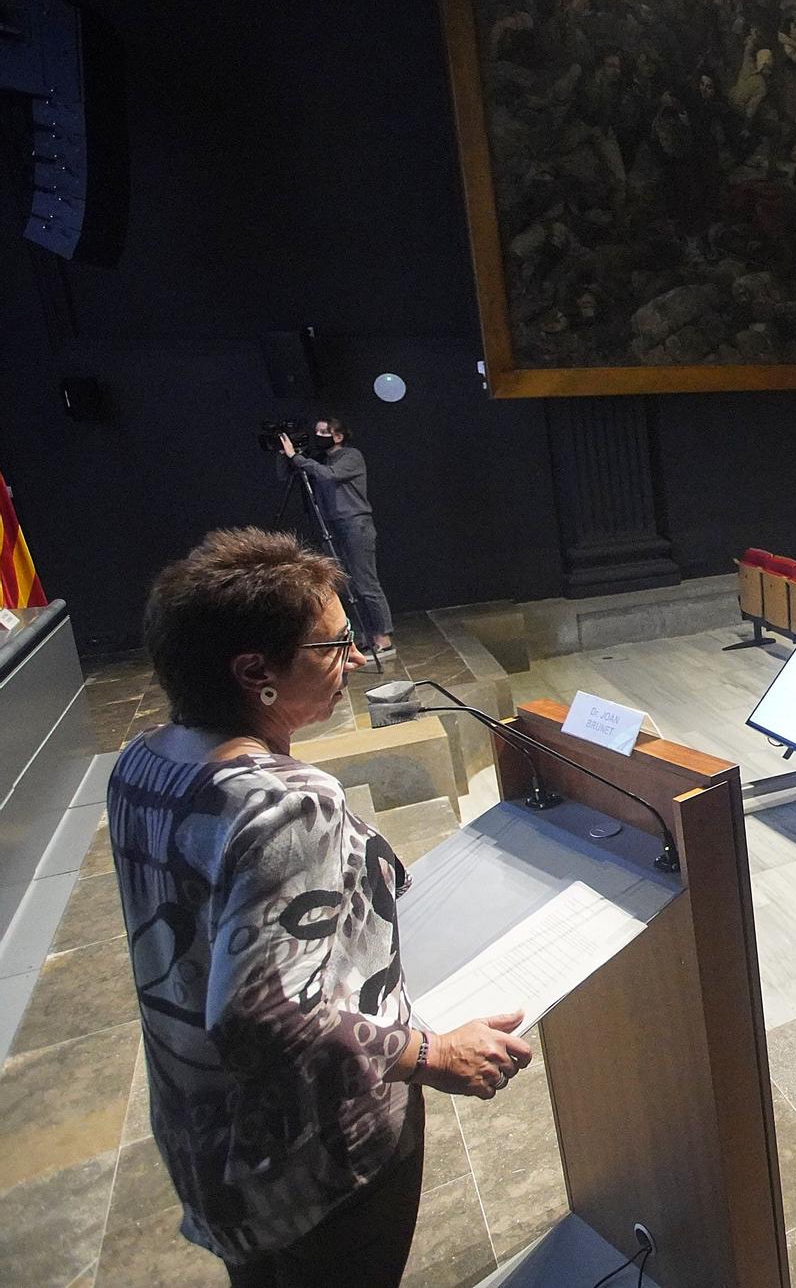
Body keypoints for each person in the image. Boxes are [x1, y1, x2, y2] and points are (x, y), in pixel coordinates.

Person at [108, 529, 530, 1285]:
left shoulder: (141, 763)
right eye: (335, 644)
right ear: (254, 673)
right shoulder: (286, 803)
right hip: (313, 1159)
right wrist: (433, 1055)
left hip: (210, 1141)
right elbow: (261, 1018)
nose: (357, 659)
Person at [278, 420, 393, 658]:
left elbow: (329, 476)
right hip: (332, 525)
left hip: (355, 524)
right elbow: (285, 476)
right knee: (343, 584)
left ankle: (383, 638)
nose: (317, 435)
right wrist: (285, 456)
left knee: (365, 583)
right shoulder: (320, 459)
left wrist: (297, 457)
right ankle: (362, 636)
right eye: (316, 432)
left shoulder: (350, 456)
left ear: (338, 436)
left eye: (324, 432)